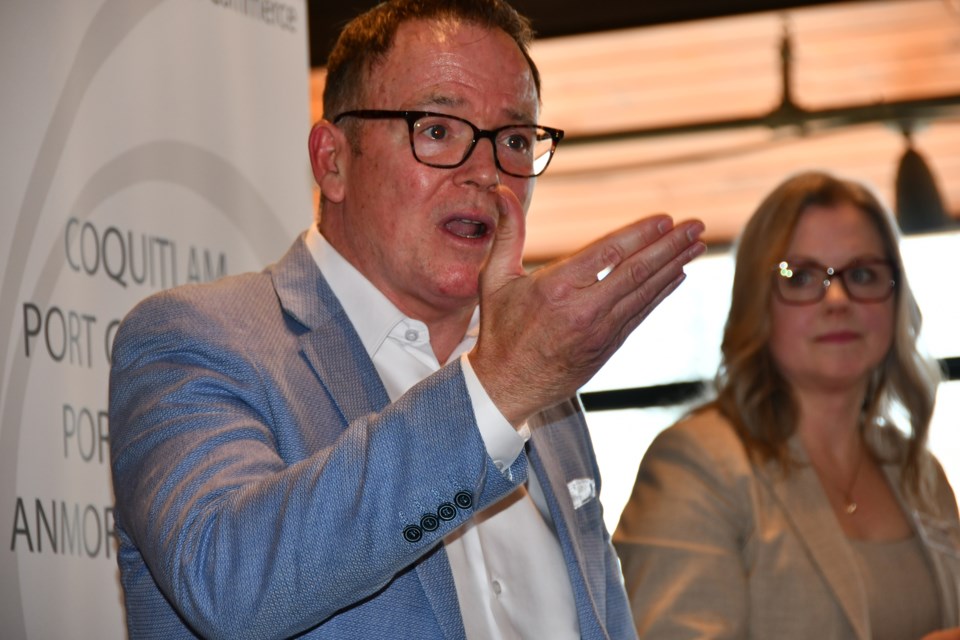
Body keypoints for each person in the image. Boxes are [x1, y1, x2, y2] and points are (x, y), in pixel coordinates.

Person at [108, 1, 706, 638]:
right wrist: (494, 393)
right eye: (439, 129)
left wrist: (506, 384)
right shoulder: (194, 338)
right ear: (332, 161)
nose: (486, 172)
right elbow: (227, 580)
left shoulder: (540, 391)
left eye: (514, 140)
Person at [613, 170, 960, 639]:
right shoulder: (697, 466)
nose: (837, 299)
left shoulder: (921, 473)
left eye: (862, 274)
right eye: (798, 276)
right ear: (757, 301)